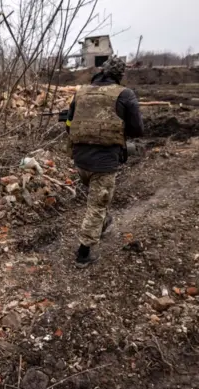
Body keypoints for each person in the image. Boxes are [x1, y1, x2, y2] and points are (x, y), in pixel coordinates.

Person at [65, 56, 144, 268]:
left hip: (80, 159)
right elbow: (137, 129)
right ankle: (83, 253)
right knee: (97, 205)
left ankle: (104, 222)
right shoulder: (125, 94)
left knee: (98, 199)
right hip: (104, 162)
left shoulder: (80, 92)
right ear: (119, 74)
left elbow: (69, 123)